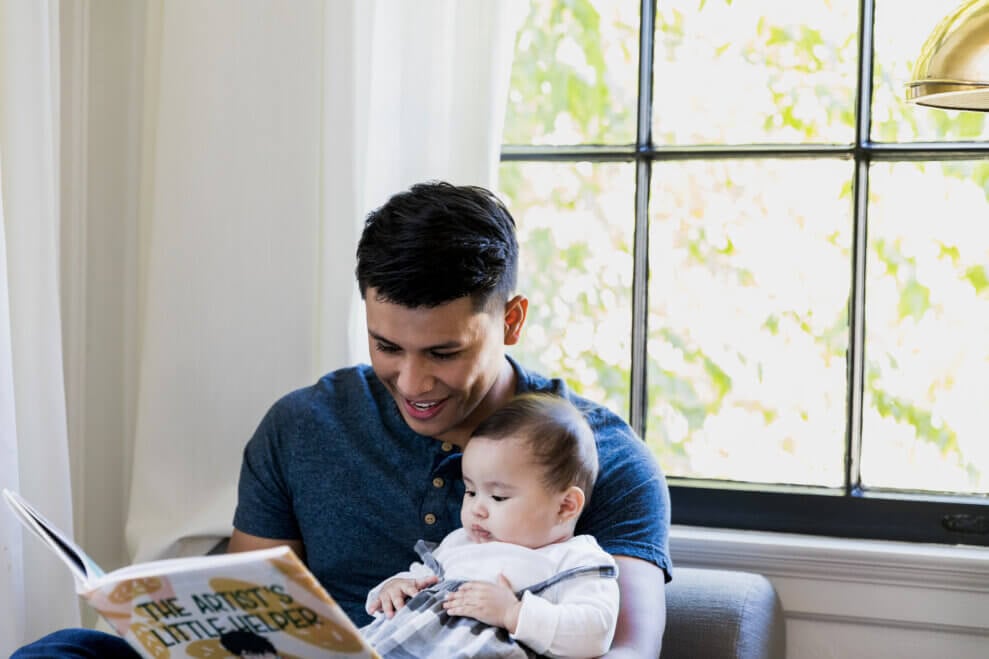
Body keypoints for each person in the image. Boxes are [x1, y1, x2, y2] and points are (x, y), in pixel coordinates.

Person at [12, 180, 671, 658]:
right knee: (68, 651)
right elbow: (247, 617)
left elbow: (628, 650)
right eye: (387, 346)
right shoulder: (303, 425)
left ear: (512, 319)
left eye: (443, 352)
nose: (412, 383)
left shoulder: (600, 458)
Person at [361, 392, 619, 658]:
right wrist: (394, 588)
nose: (476, 509)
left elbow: (596, 632)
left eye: (498, 496)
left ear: (565, 506)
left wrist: (512, 613)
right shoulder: (460, 542)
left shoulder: (574, 560)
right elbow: (421, 576)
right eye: (470, 491)